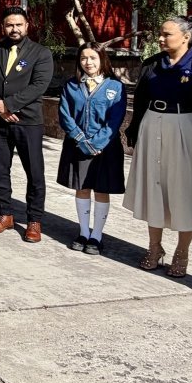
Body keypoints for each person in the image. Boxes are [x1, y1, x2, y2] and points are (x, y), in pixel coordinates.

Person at [123, 16, 192, 277]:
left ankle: (182, 251)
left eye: (166, 34)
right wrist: (133, 132)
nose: (160, 38)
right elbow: (141, 100)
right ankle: (154, 247)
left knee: (184, 192)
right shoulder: (151, 65)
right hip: (152, 126)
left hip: (188, 130)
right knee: (154, 187)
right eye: (161, 33)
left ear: (185, 37)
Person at [0, 6, 54, 242]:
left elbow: (39, 85)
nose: (14, 29)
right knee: (0, 170)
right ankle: (5, 214)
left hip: (27, 121)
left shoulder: (41, 53)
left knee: (35, 173)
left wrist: (8, 105)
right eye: (10, 25)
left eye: (19, 24)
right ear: (3, 27)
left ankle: (33, 221)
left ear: (27, 26)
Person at [56, 42, 126, 255]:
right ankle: (84, 232)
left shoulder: (115, 86)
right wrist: (81, 140)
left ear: (103, 59)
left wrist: (96, 143)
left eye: (93, 58)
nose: (88, 62)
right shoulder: (71, 85)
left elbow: (115, 120)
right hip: (78, 145)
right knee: (82, 187)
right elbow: (65, 115)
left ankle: (97, 236)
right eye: (84, 58)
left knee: (102, 190)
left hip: (106, 148)